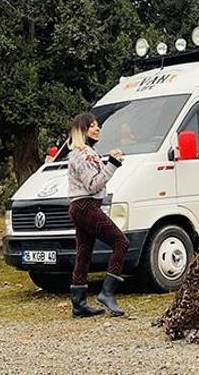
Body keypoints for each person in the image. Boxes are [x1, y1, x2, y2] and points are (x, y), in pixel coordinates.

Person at [66, 112, 129, 317]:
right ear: (82, 130)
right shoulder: (80, 154)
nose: (98, 128)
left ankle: (79, 304)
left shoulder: (87, 152)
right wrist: (112, 163)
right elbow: (93, 184)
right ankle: (107, 293)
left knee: (83, 253)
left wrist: (111, 163)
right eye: (92, 125)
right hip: (86, 206)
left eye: (97, 125)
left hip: (84, 206)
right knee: (121, 242)